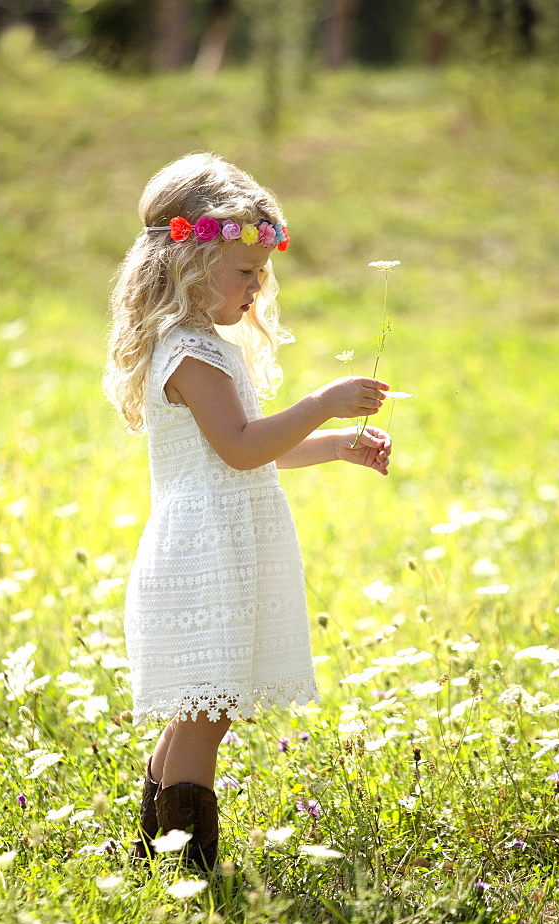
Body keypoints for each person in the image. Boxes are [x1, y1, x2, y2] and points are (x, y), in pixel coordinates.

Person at [104, 152, 391, 870]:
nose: (257, 287)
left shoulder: (208, 348)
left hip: (219, 546)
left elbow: (254, 446)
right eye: (243, 272)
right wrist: (321, 401)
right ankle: (192, 867)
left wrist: (329, 446)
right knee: (206, 713)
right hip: (203, 553)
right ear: (189, 266)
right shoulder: (190, 356)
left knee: (204, 708)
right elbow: (238, 447)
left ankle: (153, 849)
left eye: (261, 274)